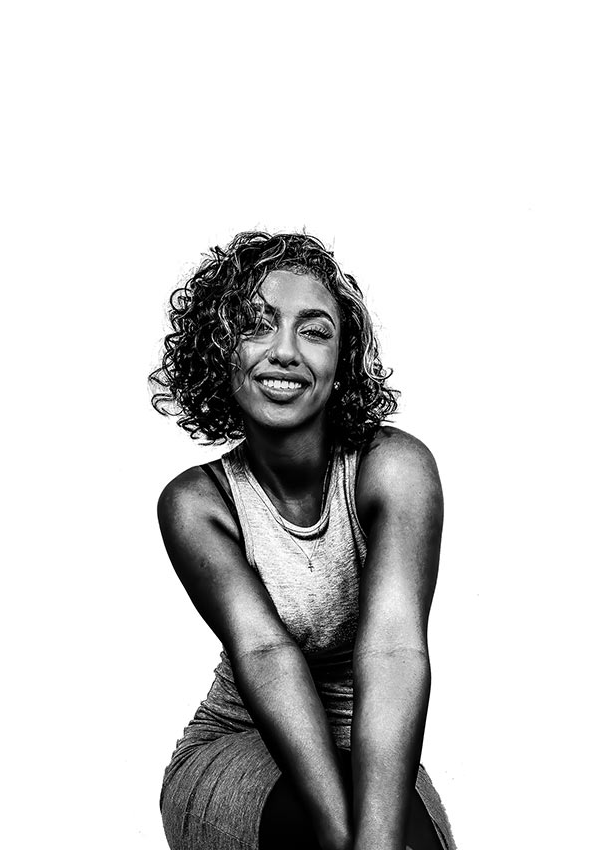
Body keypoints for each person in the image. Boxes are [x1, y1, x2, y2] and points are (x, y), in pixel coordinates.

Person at [149, 231, 456, 850]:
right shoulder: (197, 502)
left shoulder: (394, 468)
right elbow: (266, 654)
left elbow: (394, 652)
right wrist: (343, 838)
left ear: (342, 361)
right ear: (219, 350)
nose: (285, 351)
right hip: (243, 741)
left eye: (314, 331)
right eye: (257, 326)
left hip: (373, 744)